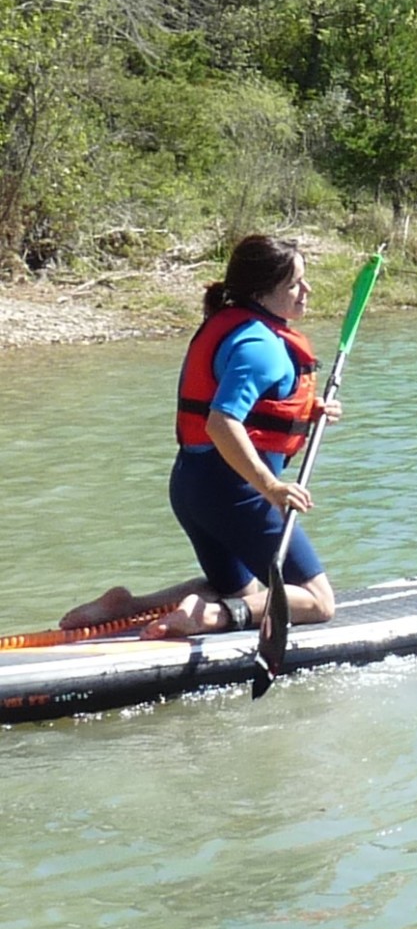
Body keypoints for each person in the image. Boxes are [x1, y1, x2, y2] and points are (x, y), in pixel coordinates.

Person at [57, 234, 342, 639]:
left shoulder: (233, 328)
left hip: (193, 487)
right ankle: (211, 617)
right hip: (237, 492)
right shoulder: (261, 345)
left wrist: (307, 412)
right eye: (295, 283)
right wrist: (272, 487)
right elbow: (221, 422)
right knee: (316, 601)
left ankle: (126, 607)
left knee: (240, 590)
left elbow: (251, 410)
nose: (306, 290)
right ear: (262, 291)